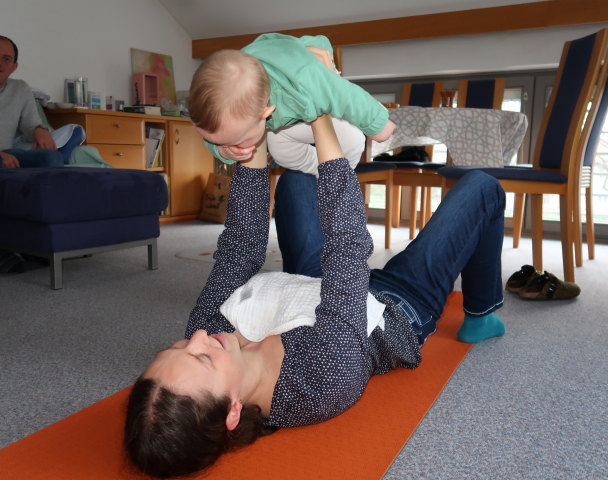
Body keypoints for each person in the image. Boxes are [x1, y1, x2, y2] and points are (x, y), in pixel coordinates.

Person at [124, 115, 506, 478]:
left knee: (296, 181)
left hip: (312, 285)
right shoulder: (320, 381)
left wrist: (250, 142)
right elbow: (348, 249)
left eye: (176, 347)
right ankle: (482, 311)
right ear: (233, 413)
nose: (197, 337)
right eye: (203, 358)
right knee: (482, 187)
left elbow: (240, 249)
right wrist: (322, 122)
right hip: (397, 306)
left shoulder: (209, 335)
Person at [188, 32, 396, 176]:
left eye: (234, 140)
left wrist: (379, 125)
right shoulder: (231, 98)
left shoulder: (304, 81)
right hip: (278, 94)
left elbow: (346, 96)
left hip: (314, 78)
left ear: (265, 112)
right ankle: (316, 172)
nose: (230, 146)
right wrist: (222, 151)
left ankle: (334, 176)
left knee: (352, 141)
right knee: (280, 150)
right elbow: (216, 132)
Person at [0, 35, 64, 169]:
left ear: (13, 67)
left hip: (7, 155)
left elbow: (31, 125)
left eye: (6, 59)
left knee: (51, 158)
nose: (0, 63)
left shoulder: (20, 88)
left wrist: (39, 130)